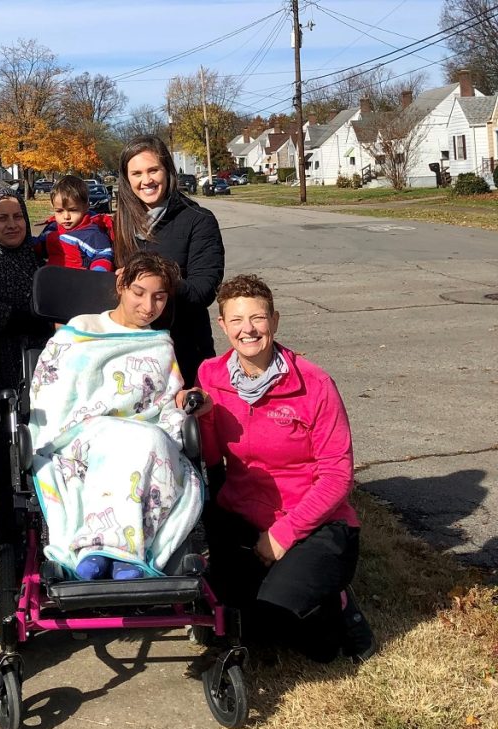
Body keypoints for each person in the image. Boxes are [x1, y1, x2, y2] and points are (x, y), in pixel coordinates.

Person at [196, 274, 376, 663]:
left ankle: (340, 604)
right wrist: (206, 418)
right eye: (237, 320)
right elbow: (213, 459)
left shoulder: (314, 384)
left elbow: (337, 476)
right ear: (222, 325)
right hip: (244, 516)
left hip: (314, 523)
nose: (249, 330)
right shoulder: (210, 374)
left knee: (303, 638)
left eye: (258, 318)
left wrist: (283, 534)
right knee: (221, 619)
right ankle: (272, 585)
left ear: (274, 322)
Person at [29, 252, 204, 580]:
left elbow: (165, 401)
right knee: (136, 441)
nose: (148, 306)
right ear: (121, 285)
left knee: (152, 443)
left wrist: (179, 405)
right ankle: (110, 551)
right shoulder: (83, 329)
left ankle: (110, 553)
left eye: (159, 297)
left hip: (146, 431)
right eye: (139, 293)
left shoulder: (160, 344)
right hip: (83, 431)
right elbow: (52, 387)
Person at [113, 136, 224, 386]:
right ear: (127, 178)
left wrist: (155, 282)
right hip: (131, 354)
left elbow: (203, 291)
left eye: (153, 170)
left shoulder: (198, 220)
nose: (146, 180)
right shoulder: (120, 222)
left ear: (168, 171)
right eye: (137, 173)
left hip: (183, 354)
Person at [0, 188, 52, 567]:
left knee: (43, 465)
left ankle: (47, 552)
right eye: (2, 218)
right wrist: (19, 315)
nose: (12, 225)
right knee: (3, 473)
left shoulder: (41, 260)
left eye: (18, 216)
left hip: (42, 373)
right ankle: (4, 560)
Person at [35, 175, 114, 272]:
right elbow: (39, 246)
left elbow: (103, 256)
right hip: (52, 280)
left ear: (86, 207)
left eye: (73, 210)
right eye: (59, 211)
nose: (66, 216)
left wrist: (96, 277)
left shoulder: (92, 233)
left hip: (78, 282)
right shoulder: (52, 227)